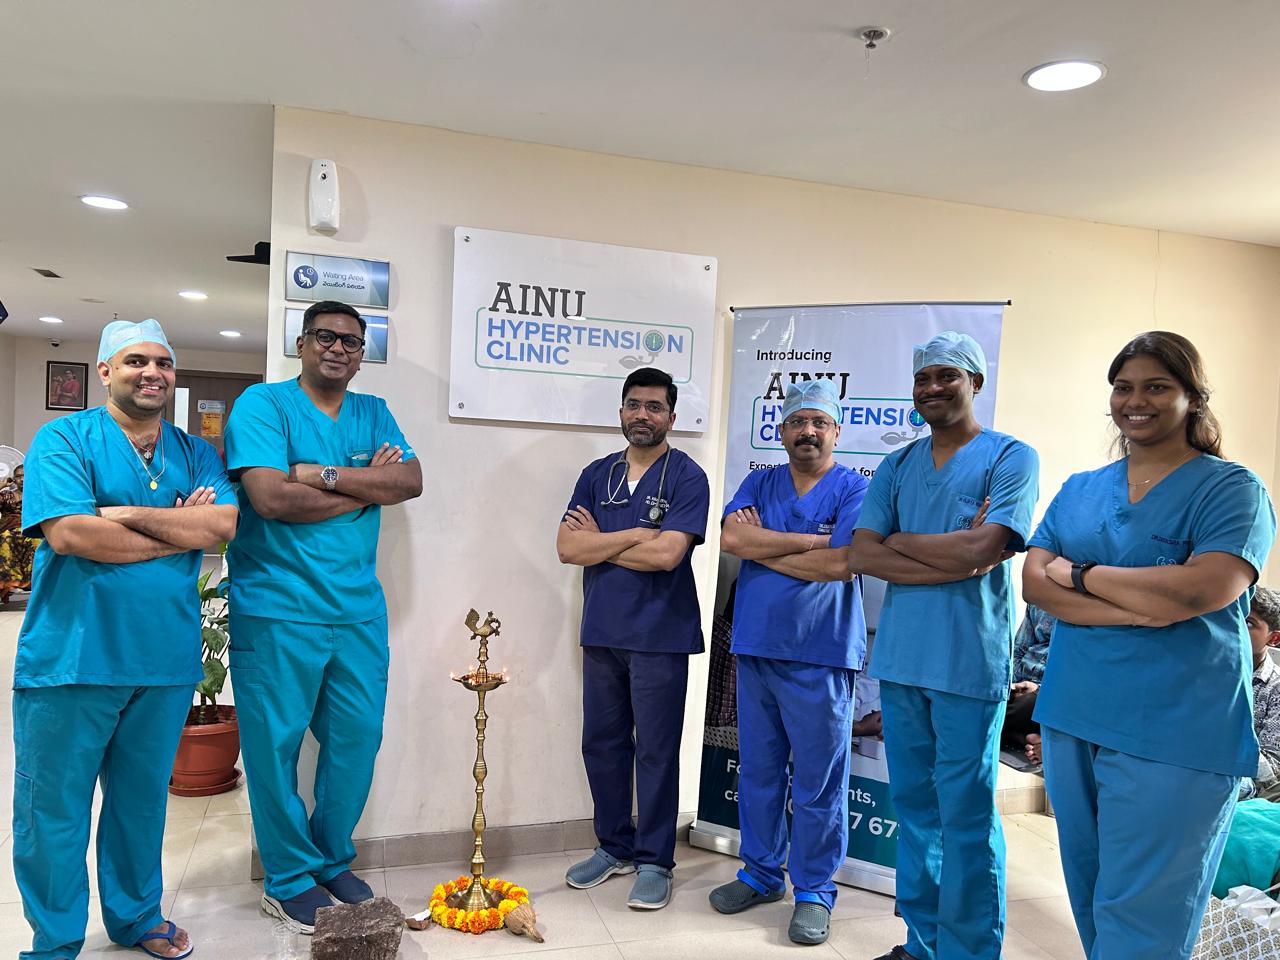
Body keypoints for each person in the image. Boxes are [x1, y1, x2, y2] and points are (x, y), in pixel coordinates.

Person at [1023, 330, 1276, 960]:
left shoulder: (1231, 490)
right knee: (1093, 898)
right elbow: (1035, 584)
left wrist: (1082, 574)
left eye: (1157, 386)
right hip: (1075, 714)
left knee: (1146, 918)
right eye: (1124, 387)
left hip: (1176, 728)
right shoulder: (1082, 488)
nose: (1136, 401)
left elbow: (1200, 589)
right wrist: (1140, 607)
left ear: (1193, 397)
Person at [12, 319, 238, 960]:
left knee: (139, 805)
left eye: (163, 363)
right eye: (136, 361)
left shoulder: (196, 453)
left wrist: (122, 514)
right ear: (106, 371)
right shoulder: (64, 439)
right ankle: (55, 940)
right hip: (73, 658)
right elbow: (70, 535)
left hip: (163, 660)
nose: (152, 373)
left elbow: (221, 525)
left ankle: (137, 917)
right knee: (53, 810)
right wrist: (176, 528)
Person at [224, 299, 422, 934]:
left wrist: (320, 475)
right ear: (303, 342)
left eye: (351, 341)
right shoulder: (263, 405)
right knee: (274, 746)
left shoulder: (374, 411)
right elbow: (270, 498)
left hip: (356, 611)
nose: (338, 348)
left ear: (362, 353)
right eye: (326, 336)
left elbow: (410, 481)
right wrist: (365, 488)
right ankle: (287, 877)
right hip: (277, 606)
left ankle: (331, 857)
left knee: (357, 741)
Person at [848, 331, 1039, 960]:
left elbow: (987, 547)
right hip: (904, 658)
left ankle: (970, 951)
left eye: (947, 376)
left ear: (975, 382)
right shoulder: (898, 465)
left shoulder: (1011, 457)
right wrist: (957, 556)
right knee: (914, 808)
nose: (932, 387)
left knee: (966, 814)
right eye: (923, 377)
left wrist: (904, 541)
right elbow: (862, 553)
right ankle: (922, 942)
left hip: (967, 661)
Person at [708, 377, 869, 946]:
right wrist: (812, 542)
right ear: (781, 431)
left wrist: (768, 544)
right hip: (756, 648)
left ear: (836, 431)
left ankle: (815, 891)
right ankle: (759, 873)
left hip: (821, 653)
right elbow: (733, 540)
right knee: (758, 771)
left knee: (819, 782)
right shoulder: (760, 481)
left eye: (819, 422)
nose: (808, 431)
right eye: (798, 421)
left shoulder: (854, 488)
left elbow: (843, 564)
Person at [556, 368, 710, 910]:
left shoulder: (687, 476)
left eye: (654, 407)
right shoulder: (597, 475)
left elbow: (668, 555)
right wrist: (630, 536)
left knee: (657, 751)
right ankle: (614, 846)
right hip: (603, 632)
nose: (642, 415)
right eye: (633, 405)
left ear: (672, 416)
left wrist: (600, 541)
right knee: (601, 743)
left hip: (660, 636)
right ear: (621, 410)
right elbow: (568, 548)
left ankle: (655, 861)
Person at [1001, 604, 1056, 765]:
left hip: (1051, 693)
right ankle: (1029, 738)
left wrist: (1038, 688)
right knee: (984, 697)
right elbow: (1019, 649)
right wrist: (1012, 685)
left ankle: (1043, 740)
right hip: (1024, 686)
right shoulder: (1039, 600)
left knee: (1025, 706)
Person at [1244, 586, 1280, 800]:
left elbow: (1271, 773)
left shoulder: (1276, 687)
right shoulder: (1204, 671)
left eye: (1249, 623)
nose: (1236, 627)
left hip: (1242, 780)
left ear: (1273, 639)